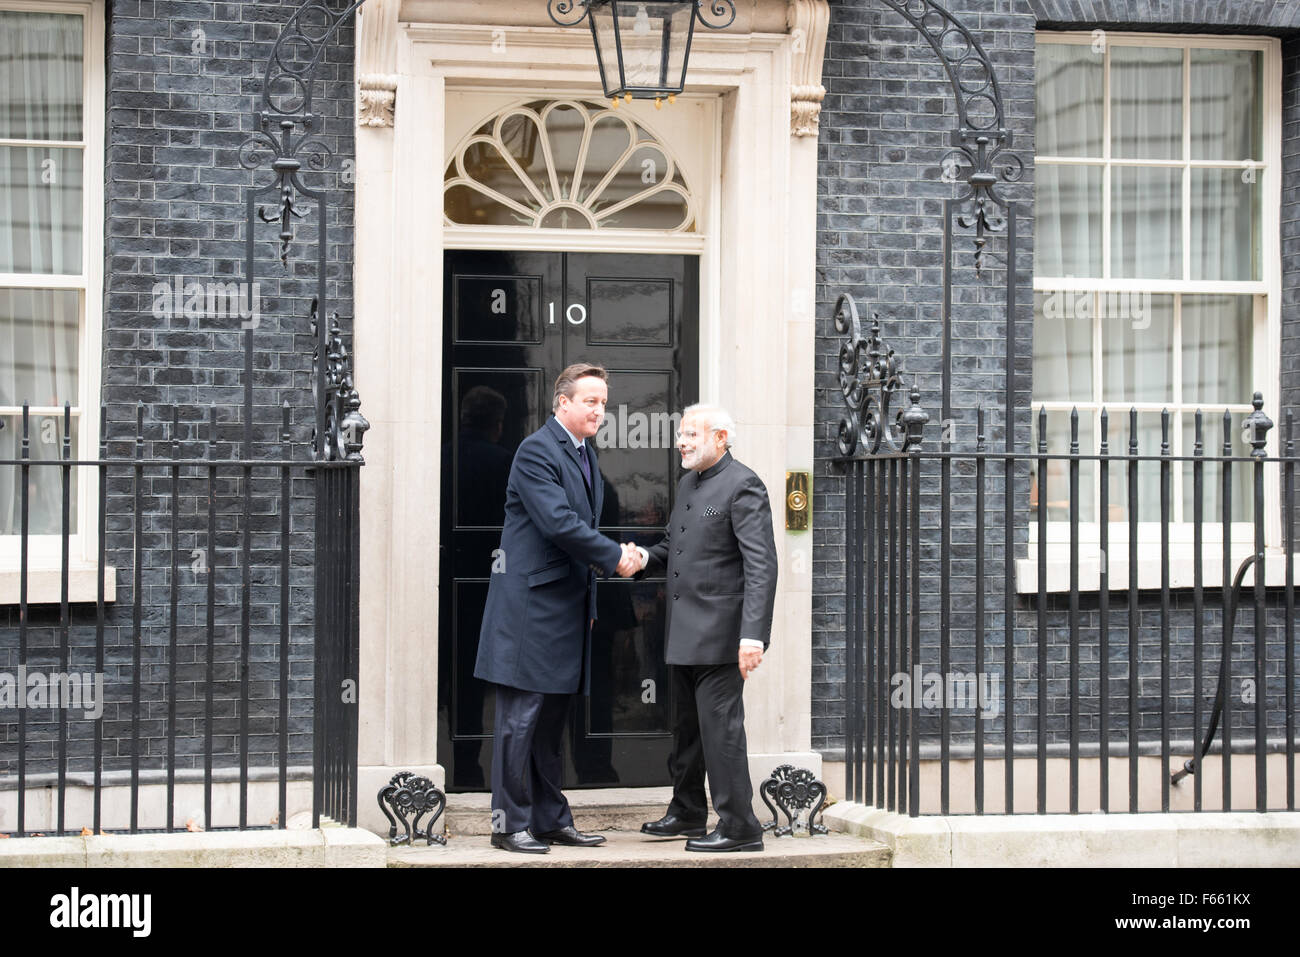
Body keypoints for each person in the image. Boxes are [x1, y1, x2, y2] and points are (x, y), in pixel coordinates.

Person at [474, 363, 641, 854]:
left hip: (565, 609)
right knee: (519, 720)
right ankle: (509, 824)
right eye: (590, 400)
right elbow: (559, 522)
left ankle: (549, 819)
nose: (599, 410)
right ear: (562, 403)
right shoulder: (535, 451)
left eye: (604, 402)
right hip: (530, 609)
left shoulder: (583, 453)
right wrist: (616, 556)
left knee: (550, 723)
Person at [628, 403, 778, 852]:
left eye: (692, 434)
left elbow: (762, 566)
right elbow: (674, 545)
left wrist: (753, 635)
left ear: (720, 438)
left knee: (721, 731)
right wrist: (640, 561)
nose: (682, 442)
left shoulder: (744, 484)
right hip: (681, 634)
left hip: (721, 639)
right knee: (687, 730)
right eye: (681, 434)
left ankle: (740, 826)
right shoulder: (687, 482)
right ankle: (688, 811)